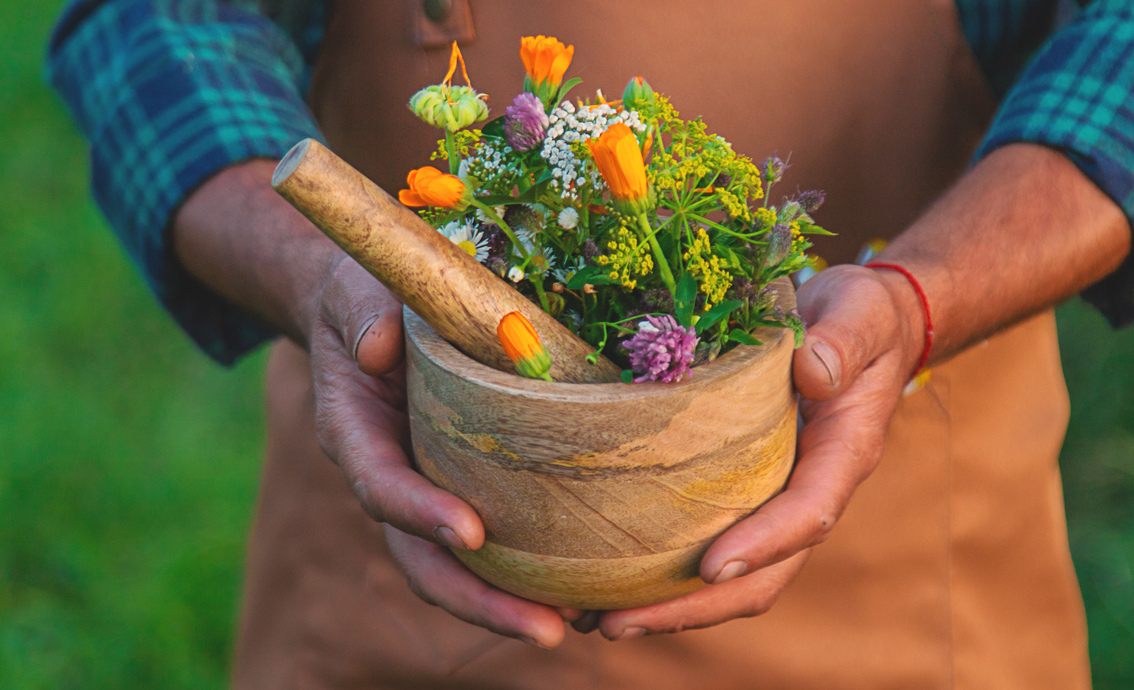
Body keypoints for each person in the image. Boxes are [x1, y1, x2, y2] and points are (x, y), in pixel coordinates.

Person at [48, 0, 1134, 687]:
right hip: (404, 596)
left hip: (904, 617)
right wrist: (323, 271)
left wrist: (918, 296)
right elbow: (152, 22)